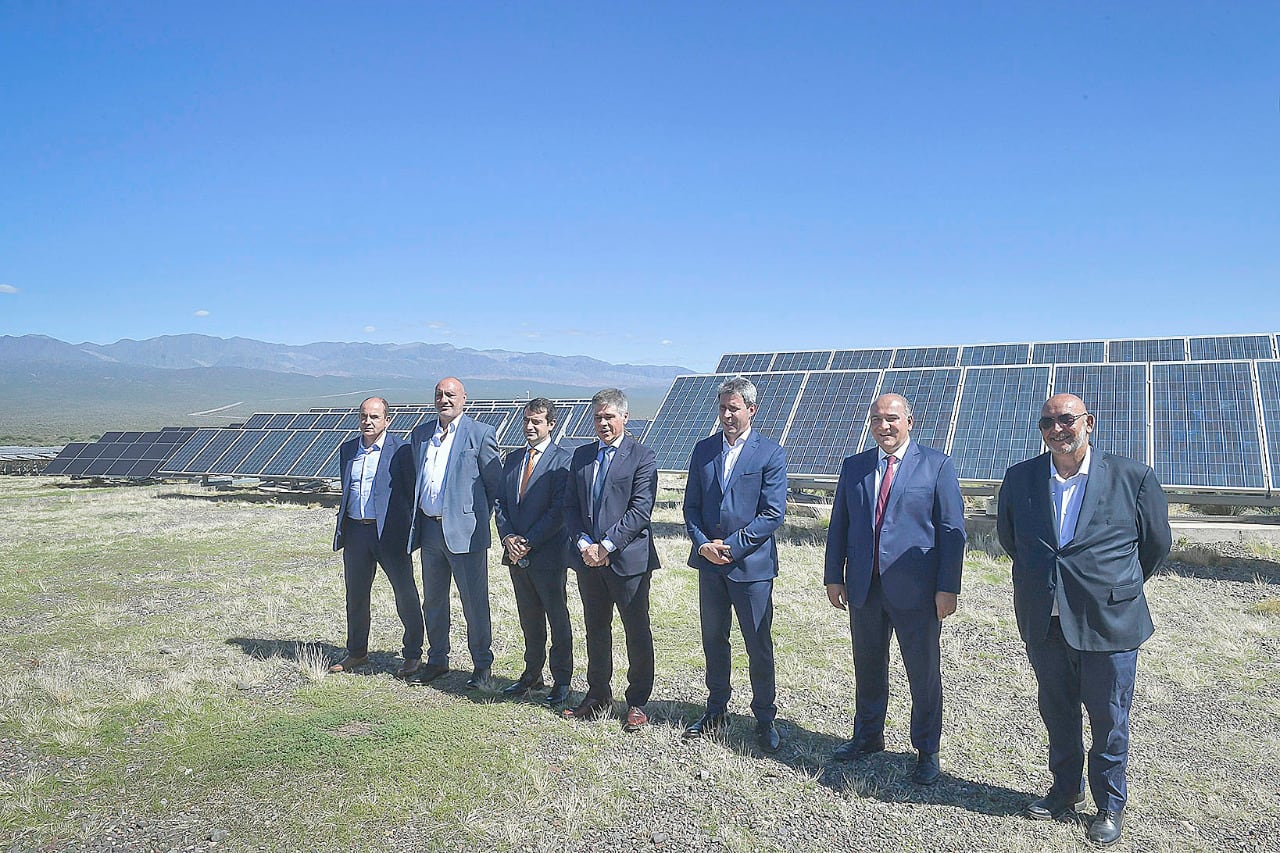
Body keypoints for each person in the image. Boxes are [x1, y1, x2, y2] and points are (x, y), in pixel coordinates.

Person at [998, 393, 1170, 847]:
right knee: (1057, 711)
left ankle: (1109, 804)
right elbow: (1012, 540)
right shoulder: (1020, 478)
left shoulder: (1132, 477)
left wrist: (1111, 586)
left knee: (1108, 717)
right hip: (1046, 618)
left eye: (1066, 419)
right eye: (1047, 422)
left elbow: (1155, 545)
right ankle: (1064, 790)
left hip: (1108, 621)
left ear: (1088, 423)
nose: (1057, 429)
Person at [823, 393, 966, 785]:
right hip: (864, 587)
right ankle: (868, 735)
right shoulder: (854, 467)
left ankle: (927, 750)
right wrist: (833, 575)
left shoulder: (936, 465)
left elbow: (952, 531)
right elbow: (839, 525)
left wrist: (947, 587)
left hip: (917, 591)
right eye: (877, 419)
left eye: (892, 418)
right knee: (868, 666)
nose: (884, 426)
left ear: (909, 421)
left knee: (923, 672)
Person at [682, 376, 788, 752]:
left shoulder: (769, 453)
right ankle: (715, 709)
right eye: (723, 408)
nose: (727, 415)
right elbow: (691, 506)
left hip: (751, 568)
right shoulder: (704, 450)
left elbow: (773, 513)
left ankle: (764, 717)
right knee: (713, 639)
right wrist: (703, 545)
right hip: (710, 565)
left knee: (757, 643)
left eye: (734, 408)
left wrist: (731, 546)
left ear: (751, 410)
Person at [562, 388, 659, 732]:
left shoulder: (642, 456)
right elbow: (570, 506)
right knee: (595, 628)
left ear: (624, 417)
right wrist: (584, 544)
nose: (603, 423)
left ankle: (637, 702)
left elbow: (640, 510)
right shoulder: (582, 456)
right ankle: (598, 695)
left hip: (627, 562)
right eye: (598, 417)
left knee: (636, 631)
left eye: (609, 417)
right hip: (588, 561)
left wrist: (606, 546)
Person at [407, 377, 502, 689]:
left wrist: (473, 520)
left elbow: (495, 486)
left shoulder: (481, 433)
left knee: (474, 602)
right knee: (433, 601)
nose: (444, 400)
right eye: (439, 395)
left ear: (464, 398)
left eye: (450, 394)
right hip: (429, 530)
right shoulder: (422, 434)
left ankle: (482, 665)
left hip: (466, 534)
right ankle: (437, 660)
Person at [329, 397, 424, 678]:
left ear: (387, 420)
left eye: (374, 416)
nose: (367, 421)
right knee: (356, 595)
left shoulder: (401, 451)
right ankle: (357, 651)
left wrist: (407, 531)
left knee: (405, 593)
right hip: (356, 532)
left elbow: (411, 493)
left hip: (390, 534)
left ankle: (412, 654)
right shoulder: (348, 449)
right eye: (363, 416)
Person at [494, 398, 574, 706]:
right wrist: (508, 537)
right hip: (516, 555)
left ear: (551, 424)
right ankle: (532, 674)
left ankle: (562, 680)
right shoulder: (514, 458)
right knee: (529, 618)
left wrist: (528, 541)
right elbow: (501, 502)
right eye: (526, 420)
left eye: (536, 421)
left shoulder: (562, 460)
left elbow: (559, 509)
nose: (529, 426)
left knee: (557, 618)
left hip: (548, 555)